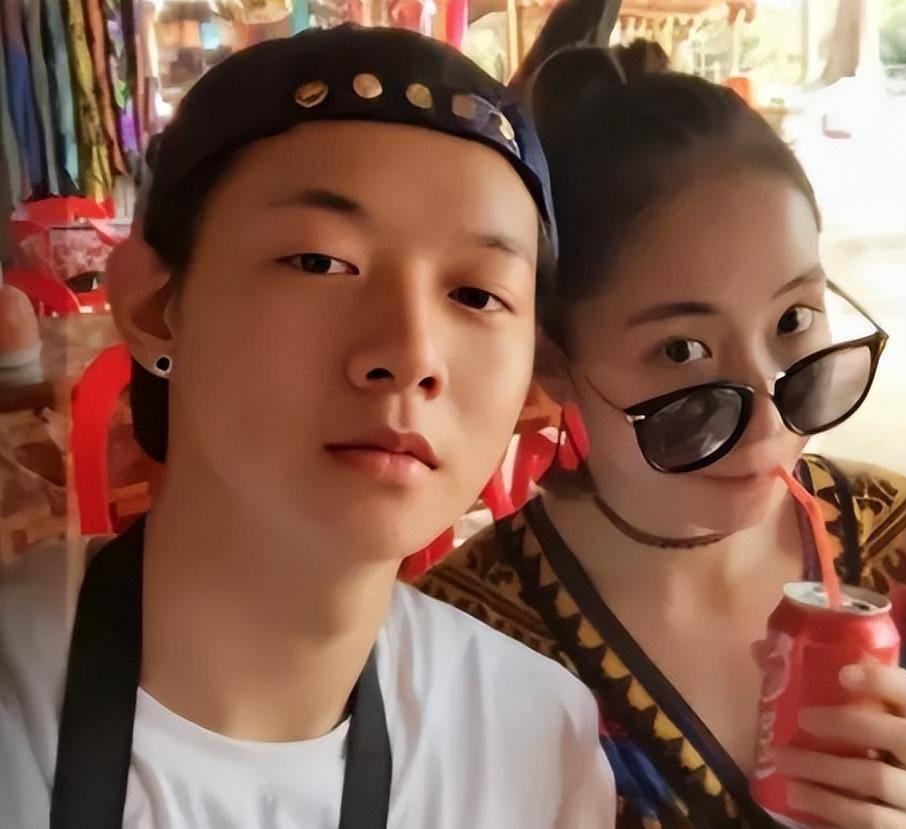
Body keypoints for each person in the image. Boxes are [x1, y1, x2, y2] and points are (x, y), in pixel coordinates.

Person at [0, 25, 616, 829]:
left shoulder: (527, 747)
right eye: (321, 261)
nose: (411, 354)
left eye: (477, 294)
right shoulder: (20, 716)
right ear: (155, 306)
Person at [420, 39, 906, 829]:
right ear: (553, 362)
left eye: (794, 318)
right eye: (681, 350)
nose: (771, 418)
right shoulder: (457, 650)